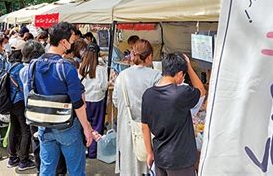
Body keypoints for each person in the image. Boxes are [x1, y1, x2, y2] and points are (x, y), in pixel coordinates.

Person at [24, 22, 95, 176]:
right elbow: (78, 103)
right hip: (67, 126)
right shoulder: (66, 67)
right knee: (76, 171)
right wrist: (87, 128)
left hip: (44, 125)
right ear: (63, 42)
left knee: (47, 170)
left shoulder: (34, 65)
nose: (72, 43)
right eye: (71, 40)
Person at [141, 53, 206, 176]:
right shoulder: (181, 93)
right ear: (180, 74)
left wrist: (149, 153)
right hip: (181, 159)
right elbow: (201, 91)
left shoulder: (148, 94)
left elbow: (144, 126)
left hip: (160, 157)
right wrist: (189, 67)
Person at [112, 39, 161, 176]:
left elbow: (115, 100)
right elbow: (160, 105)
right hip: (150, 132)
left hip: (126, 128)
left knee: (128, 168)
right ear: (150, 56)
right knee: (148, 167)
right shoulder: (156, 76)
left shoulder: (121, 76)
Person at [20, 40, 68, 175]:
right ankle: (58, 170)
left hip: (32, 111)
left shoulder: (23, 70)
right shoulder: (46, 66)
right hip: (49, 109)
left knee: (37, 141)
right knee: (54, 141)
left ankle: (41, 169)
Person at [6, 39, 35, 171]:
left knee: (14, 127)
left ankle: (12, 158)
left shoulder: (9, 65)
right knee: (25, 131)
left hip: (10, 101)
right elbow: (25, 88)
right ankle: (23, 160)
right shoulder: (22, 68)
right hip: (20, 102)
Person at [79, 42, 108, 159]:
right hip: (97, 100)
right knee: (96, 126)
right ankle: (93, 152)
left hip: (84, 101)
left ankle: (84, 149)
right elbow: (104, 86)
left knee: (84, 125)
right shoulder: (100, 69)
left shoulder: (81, 67)